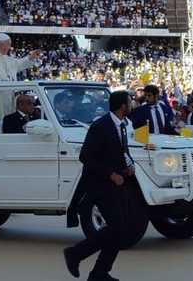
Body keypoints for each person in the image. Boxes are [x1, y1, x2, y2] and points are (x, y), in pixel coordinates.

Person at [64, 90, 135, 281]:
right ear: (122, 106)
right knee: (118, 228)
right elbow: (85, 157)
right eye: (130, 102)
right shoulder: (101, 126)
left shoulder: (121, 125)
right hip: (99, 184)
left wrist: (129, 166)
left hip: (116, 183)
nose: (132, 105)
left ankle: (98, 272)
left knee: (119, 229)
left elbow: (122, 151)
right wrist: (111, 174)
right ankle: (77, 255)